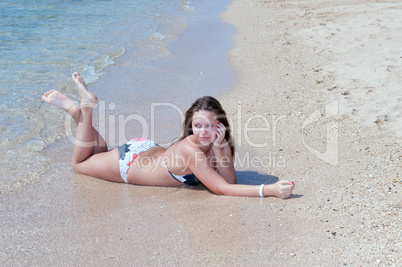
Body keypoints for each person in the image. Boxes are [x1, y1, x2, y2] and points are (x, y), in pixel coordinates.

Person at [42, 72, 295, 198]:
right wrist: (268, 190)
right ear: (190, 126)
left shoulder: (217, 143)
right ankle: (81, 109)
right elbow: (222, 188)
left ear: (220, 125)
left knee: (99, 149)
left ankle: (77, 112)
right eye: (198, 126)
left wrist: (221, 148)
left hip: (143, 152)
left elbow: (229, 176)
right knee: (79, 164)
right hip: (128, 164)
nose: (204, 132)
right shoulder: (191, 150)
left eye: (209, 125)